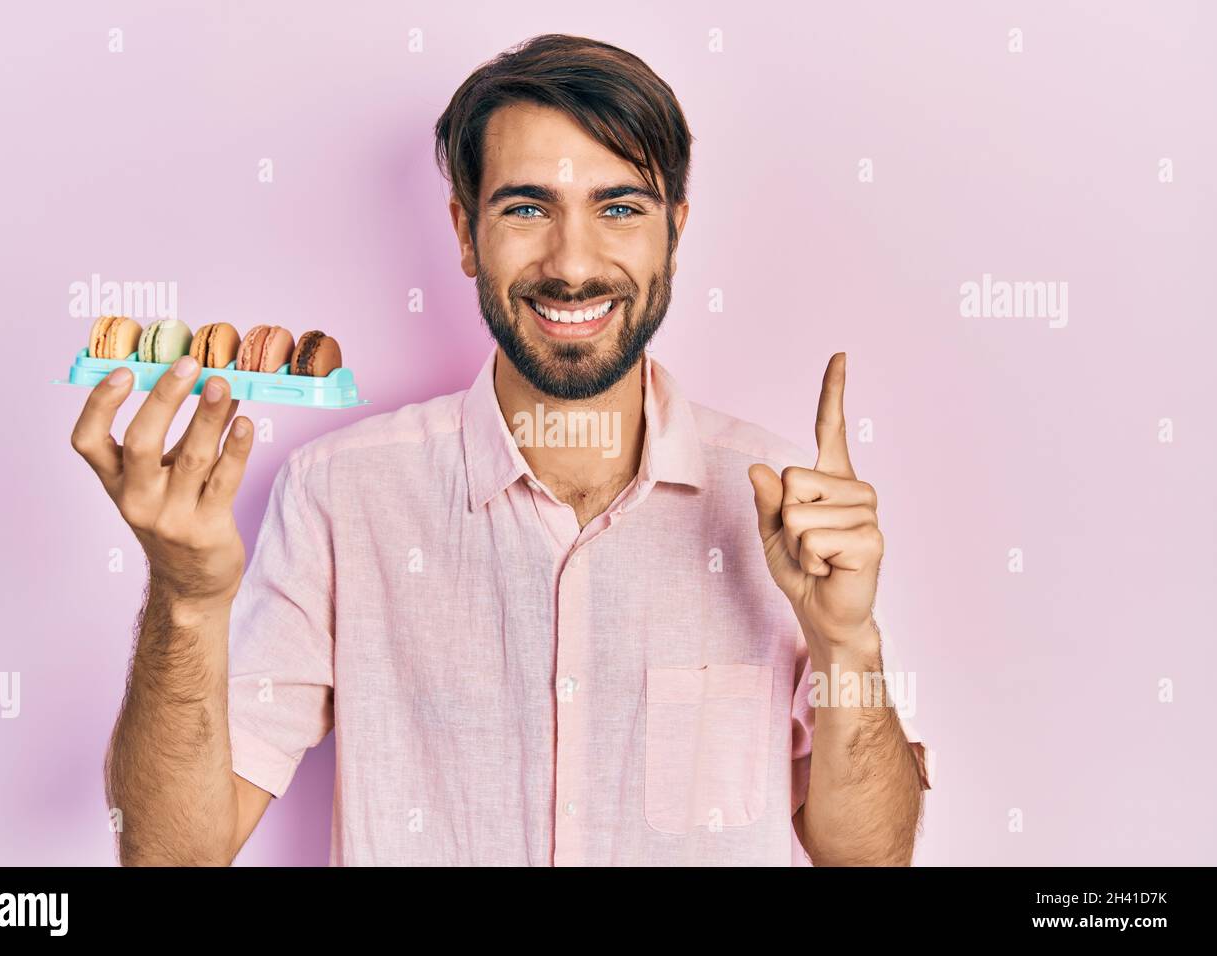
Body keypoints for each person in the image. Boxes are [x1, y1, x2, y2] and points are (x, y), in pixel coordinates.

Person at [71, 33, 932, 867]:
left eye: (620, 208)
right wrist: (185, 599)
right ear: (463, 233)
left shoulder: (787, 506)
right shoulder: (342, 496)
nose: (572, 264)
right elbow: (170, 855)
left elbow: (869, 858)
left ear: (675, 229)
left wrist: (846, 641)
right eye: (527, 208)